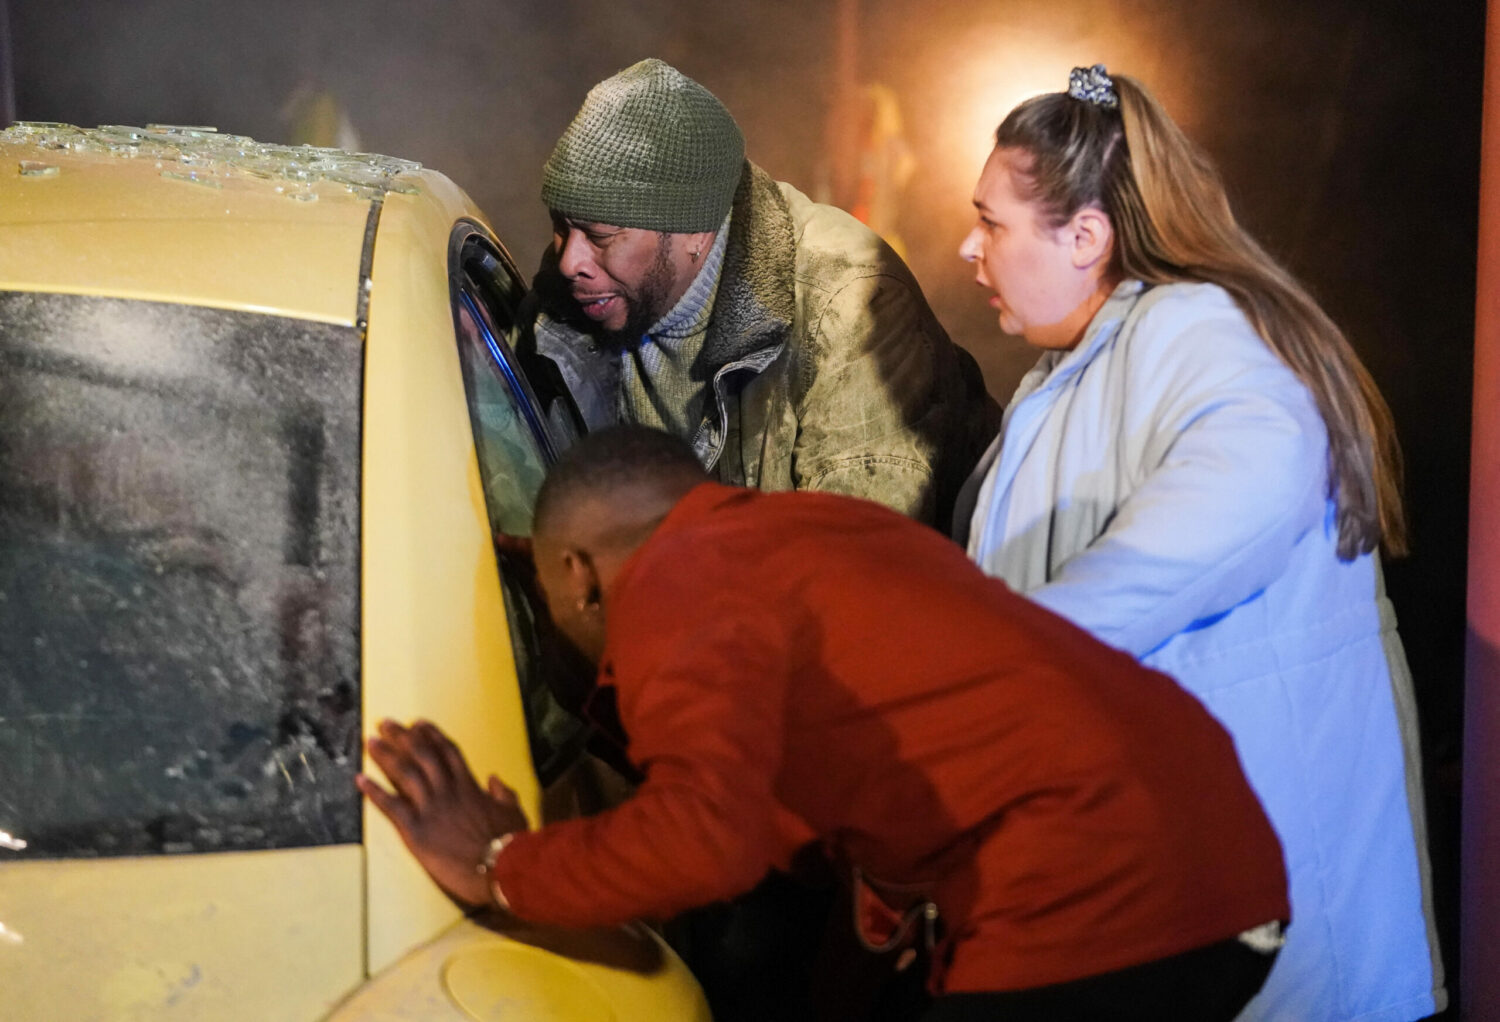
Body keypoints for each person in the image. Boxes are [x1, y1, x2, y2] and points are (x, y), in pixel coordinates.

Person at [359, 426, 1291, 1022]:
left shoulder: (679, 577)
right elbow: (789, 804)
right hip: (1221, 860)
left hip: (1090, 889)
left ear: (578, 575)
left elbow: (703, 840)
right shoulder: (817, 533)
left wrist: (501, 868)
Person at [954, 64, 1444, 1020]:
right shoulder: (1068, 373)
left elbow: (1241, 489)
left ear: (1085, 236)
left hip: (1266, 932)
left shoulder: (1203, 334)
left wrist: (1005, 670)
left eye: (992, 222)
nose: (969, 248)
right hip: (1172, 907)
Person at [519, 58, 1000, 530]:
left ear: (695, 232)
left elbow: (855, 557)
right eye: (561, 227)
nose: (569, 261)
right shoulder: (570, 293)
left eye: (600, 236)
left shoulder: (849, 303)